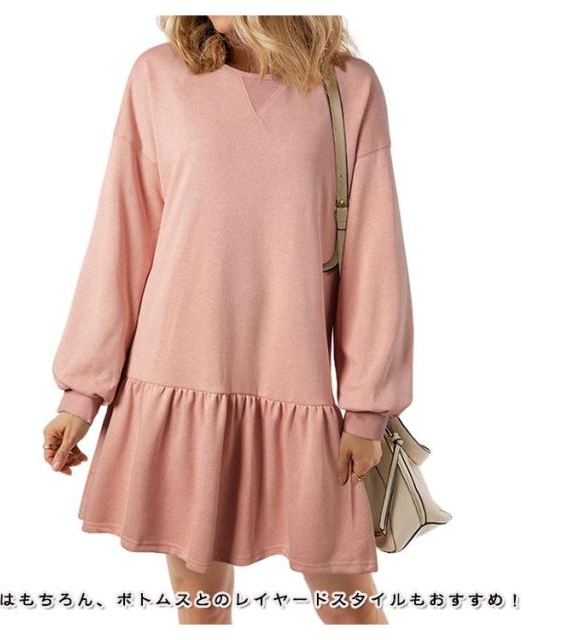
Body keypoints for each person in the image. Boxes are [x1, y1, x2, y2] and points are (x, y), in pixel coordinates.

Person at [42, 15, 413, 625]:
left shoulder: (349, 86)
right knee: (201, 605)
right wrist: (80, 395)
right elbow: (121, 238)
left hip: (296, 382)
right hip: (175, 376)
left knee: (349, 604)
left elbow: (376, 258)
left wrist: (368, 408)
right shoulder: (158, 76)